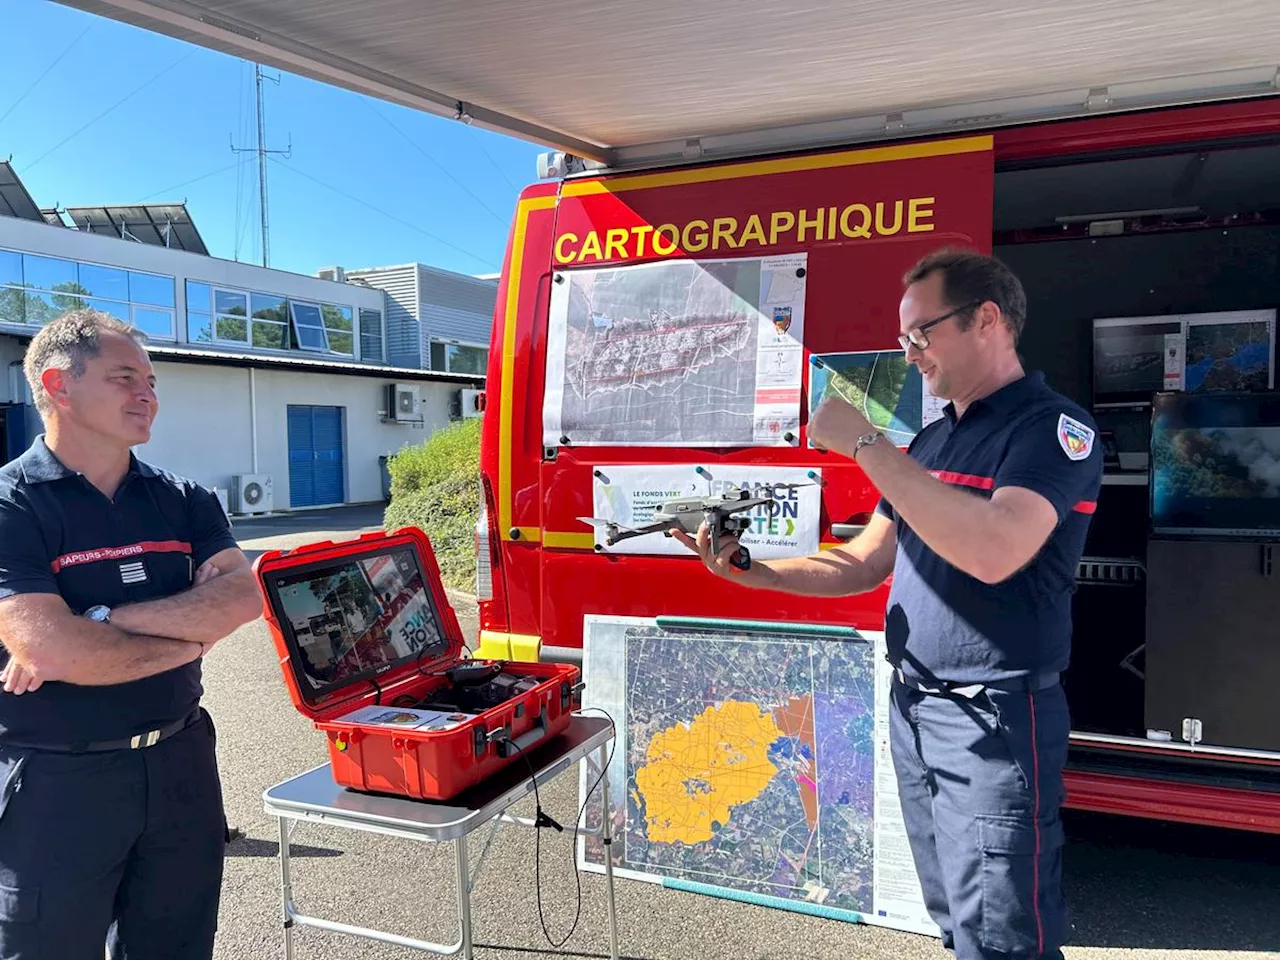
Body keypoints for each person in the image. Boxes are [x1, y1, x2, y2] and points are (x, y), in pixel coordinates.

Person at [674, 248, 1102, 960]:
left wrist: (867, 443)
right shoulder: (933, 439)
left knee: (1003, 935)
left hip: (992, 719)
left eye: (920, 335)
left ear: (987, 319)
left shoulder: (1052, 431)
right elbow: (867, 560)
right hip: (916, 709)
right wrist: (759, 574)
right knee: (954, 918)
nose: (910, 356)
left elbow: (996, 549)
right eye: (903, 340)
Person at [0, 310, 264, 959]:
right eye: (125, 378)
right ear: (58, 385)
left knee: (176, 947)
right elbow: (46, 646)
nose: (148, 394)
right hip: (58, 782)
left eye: (150, 380)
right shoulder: (13, 505)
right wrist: (192, 627)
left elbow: (246, 594)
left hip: (182, 767)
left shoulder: (185, 500)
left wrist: (101, 621)